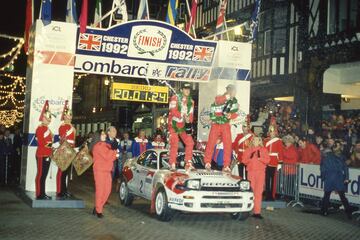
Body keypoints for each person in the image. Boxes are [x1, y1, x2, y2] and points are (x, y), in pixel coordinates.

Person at [204, 84, 238, 172]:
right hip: (216, 124)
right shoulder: (220, 97)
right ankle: (207, 162)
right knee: (211, 142)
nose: (233, 93)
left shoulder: (234, 101)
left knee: (228, 144)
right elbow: (217, 100)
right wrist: (227, 97)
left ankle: (226, 165)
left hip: (225, 124)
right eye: (231, 91)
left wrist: (231, 115)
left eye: (234, 91)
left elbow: (235, 113)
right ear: (228, 91)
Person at [320, 141, 352, 219]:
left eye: (336, 145)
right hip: (334, 178)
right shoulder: (329, 156)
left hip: (334, 178)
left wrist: (347, 178)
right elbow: (323, 167)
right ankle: (324, 211)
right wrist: (323, 176)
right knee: (332, 195)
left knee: (335, 195)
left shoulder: (332, 156)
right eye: (335, 145)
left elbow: (322, 168)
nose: (335, 147)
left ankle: (324, 211)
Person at [90, 130, 118, 218]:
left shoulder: (106, 145)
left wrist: (113, 151)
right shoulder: (98, 146)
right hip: (99, 171)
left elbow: (113, 157)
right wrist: (114, 150)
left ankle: (98, 206)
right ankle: (99, 210)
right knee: (100, 191)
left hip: (107, 170)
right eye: (102, 134)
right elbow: (108, 156)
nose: (104, 135)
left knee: (107, 191)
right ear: (98, 136)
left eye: (104, 134)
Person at [168, 83, 195, 171]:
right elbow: (172, 111)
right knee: (174, 142)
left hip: (183, 126)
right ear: (181, 90)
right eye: (185, 88)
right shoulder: (175, 98)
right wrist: (182, 115)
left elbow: (191, 115)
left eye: (188, 89)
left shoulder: (191, 101)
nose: (187, 90)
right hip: (174, 124)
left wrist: (189, 120)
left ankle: (188, 163)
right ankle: (172, 164)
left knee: (190, 142)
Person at [242, 136, 270, 219]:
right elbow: (244, 161)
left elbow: (267, 160)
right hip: (251, 172)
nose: (255, 141)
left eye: (257, 140)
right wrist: (250, 158)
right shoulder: (248, 150)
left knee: (258, 192)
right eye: (254, 139)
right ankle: (248, 210)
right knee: (251, 192)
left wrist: (260, 158)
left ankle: (257, 212)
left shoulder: (263, 150)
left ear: (260, 141)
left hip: (260, 173)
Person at [56, 101, 76, 199]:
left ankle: (65, 190)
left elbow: (73, 141)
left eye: (71, 116)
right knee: (62, 173)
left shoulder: (72, 127)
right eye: (68, 116)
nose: (70, 117)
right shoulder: (63, 127)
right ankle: (60, 191)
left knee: (67, 173)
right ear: (64, 117)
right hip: (65, 151)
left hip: (71, 151)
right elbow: (63, 139)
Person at [35, 100, 53, 200]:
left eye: (49, 119)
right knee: (41, 174)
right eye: (47, 118)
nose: (49, 120)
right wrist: (51, 146)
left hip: (47, 154)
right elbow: (41, 143)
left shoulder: (47, 129)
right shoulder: (40, 129)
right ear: (43, 118)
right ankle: (39, 194)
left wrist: (51, 147)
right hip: (42, 154)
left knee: (44, 175)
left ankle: (43, 192)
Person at [263, 117, 284, 201]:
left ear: (275, 132)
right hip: (266, 162)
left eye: (273, 132)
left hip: (274, 162)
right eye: (270, 132)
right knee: (267, 180)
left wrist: (280, 162)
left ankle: (272, 195)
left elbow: (280, 152)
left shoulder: (278, 141)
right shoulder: (265, 140)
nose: (272, 133)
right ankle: (267, 195)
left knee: (273, 180)